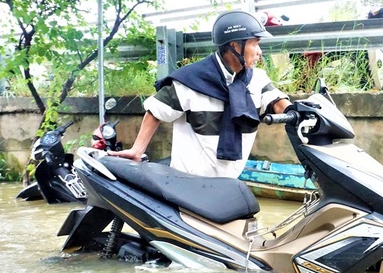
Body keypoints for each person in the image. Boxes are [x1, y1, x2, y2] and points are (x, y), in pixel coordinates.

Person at [109, 9, 291, 178]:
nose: (260, 52)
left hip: (229, 182)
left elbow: (276, 100)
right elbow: (156, 110)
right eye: (255, 44)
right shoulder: (191, 80)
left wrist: (296, 111)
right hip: (189, 183)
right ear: (235, 45)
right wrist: (137, 150)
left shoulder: (256, 79)